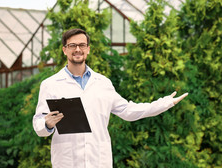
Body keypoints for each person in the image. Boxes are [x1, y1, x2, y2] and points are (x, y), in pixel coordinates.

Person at [33, 28, 188, 168]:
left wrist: (164, 103)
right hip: (67, 162)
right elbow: (38, 124)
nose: (77, 49)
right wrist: (47, 124)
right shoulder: (50, 84)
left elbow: (128, 111)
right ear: (64, 50)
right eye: (72, 45)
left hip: (99, 161)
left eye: (82, 45)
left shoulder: (103, 83)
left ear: (88, 49)